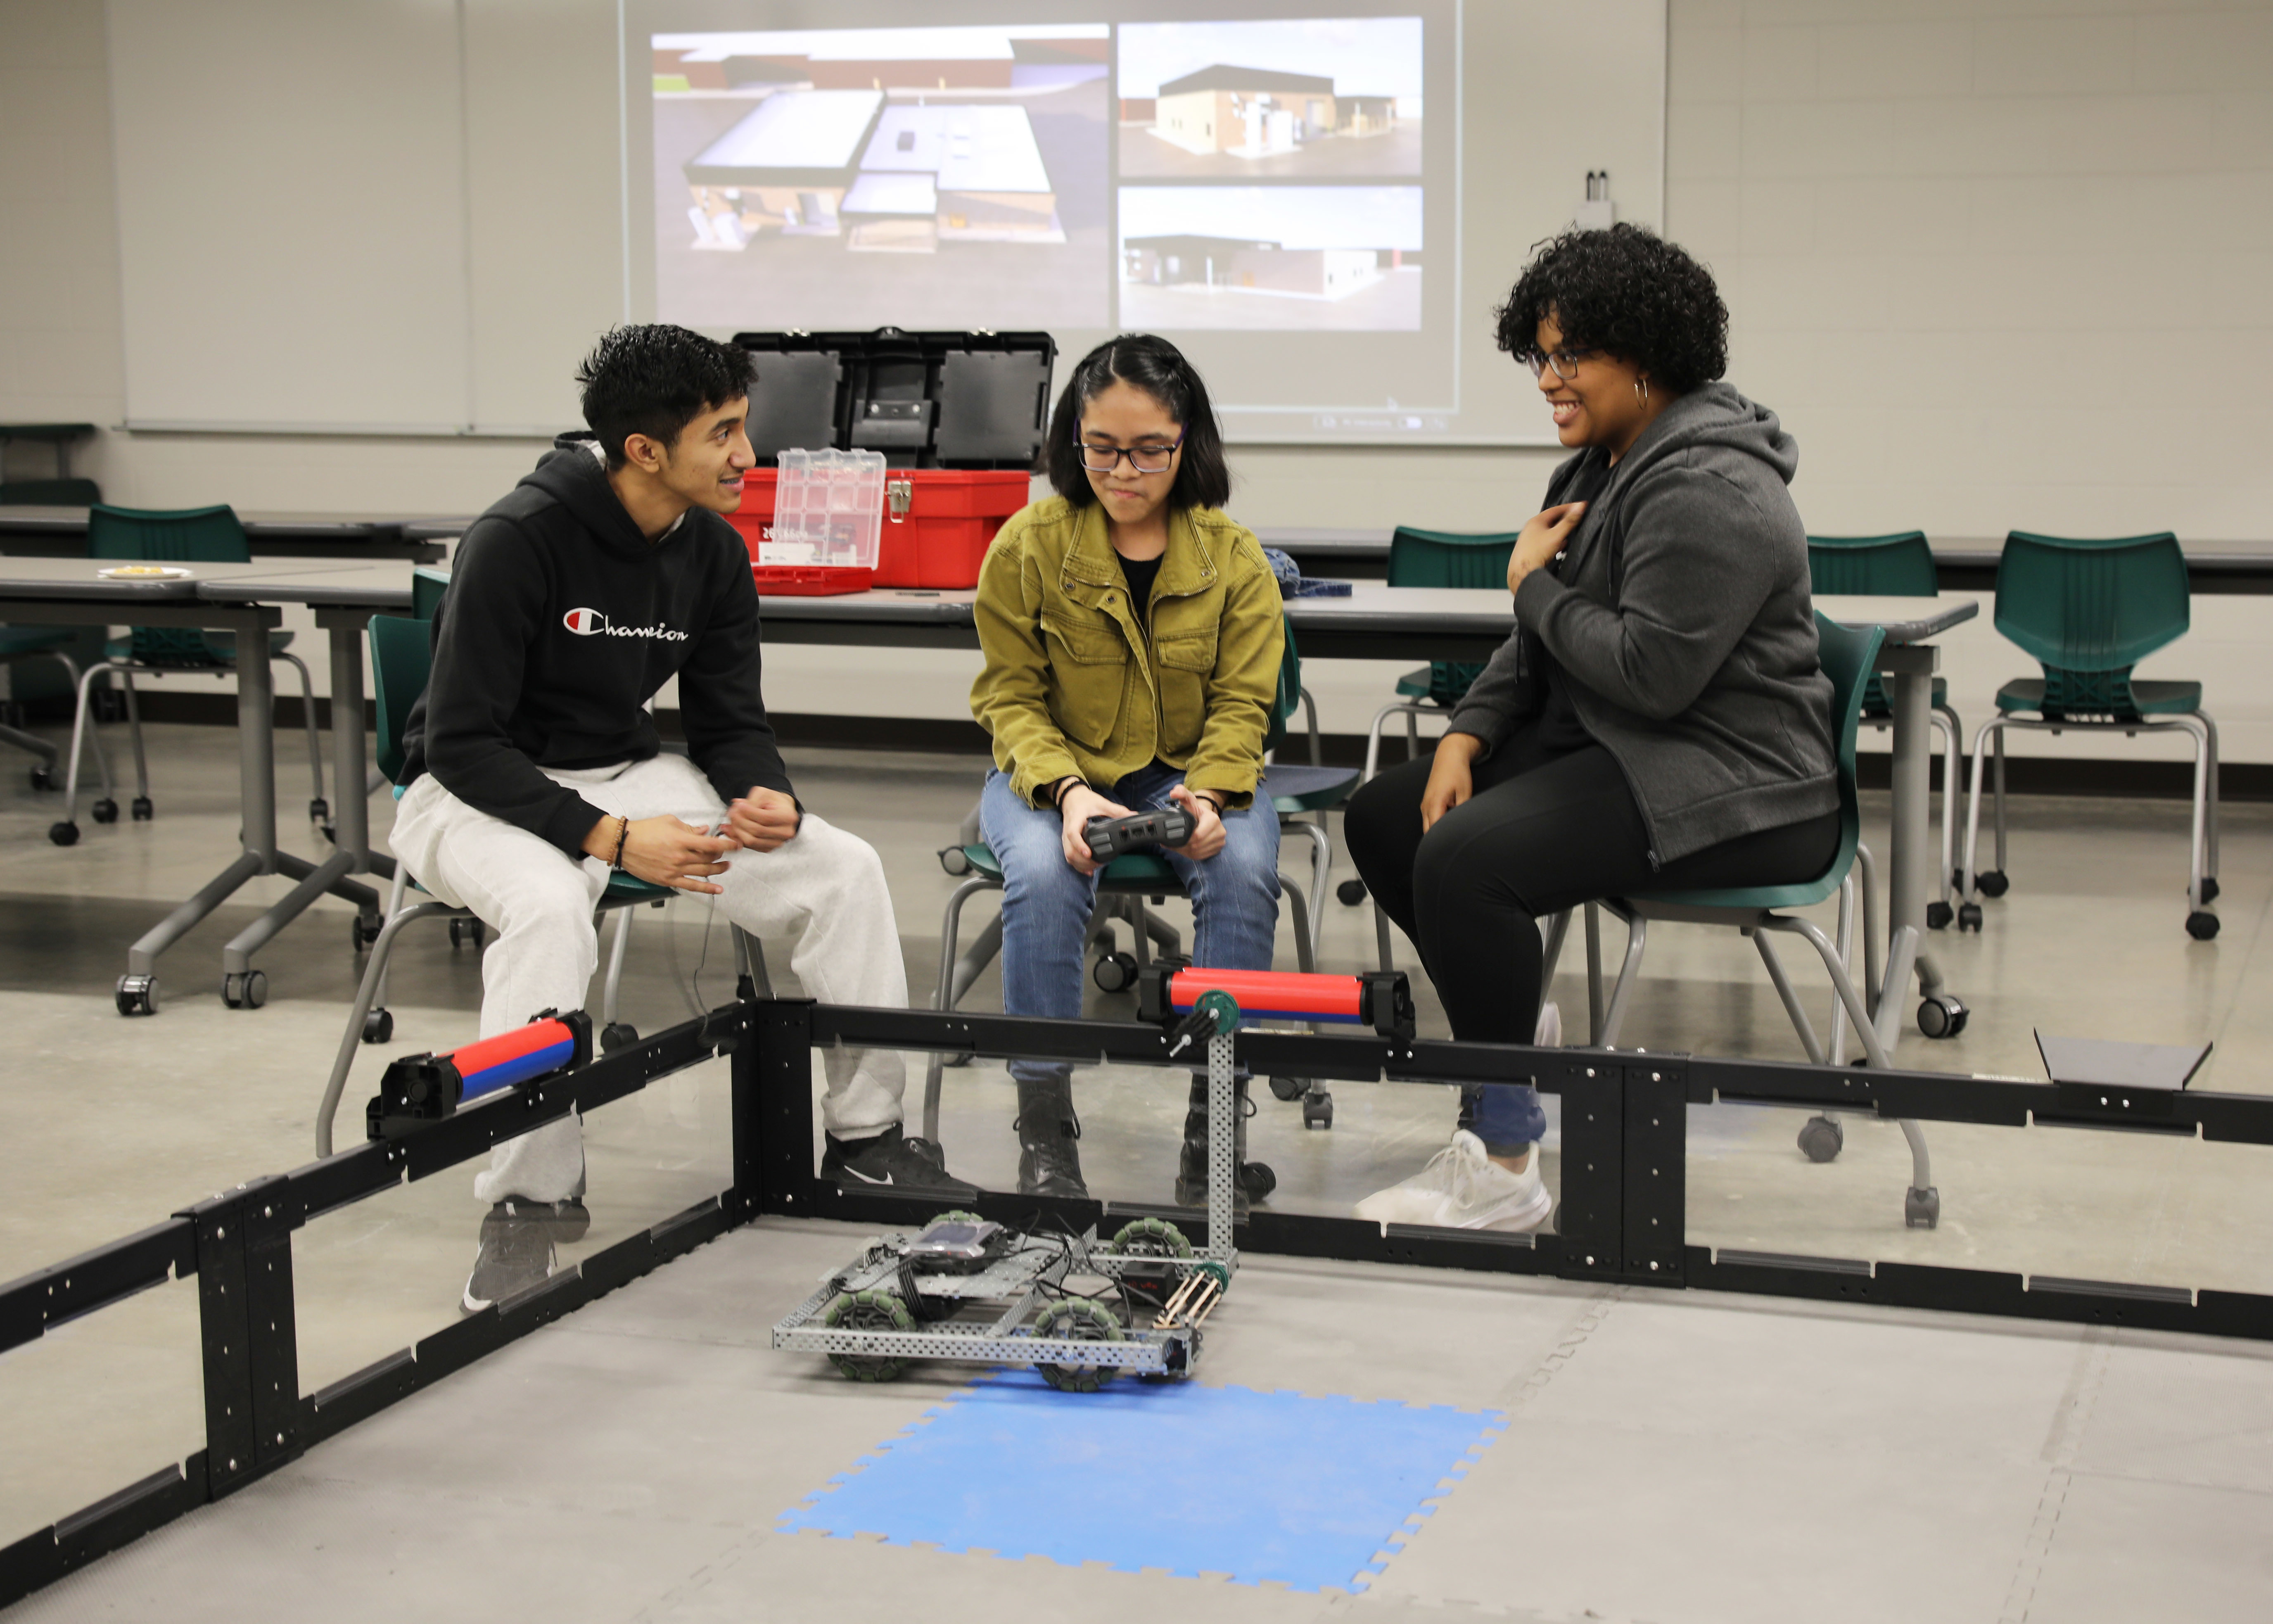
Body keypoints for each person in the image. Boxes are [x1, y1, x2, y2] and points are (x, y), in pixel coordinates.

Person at [390, 323, 975, 1314]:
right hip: (473, 791)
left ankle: (869, 1141)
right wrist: (610, 839)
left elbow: (728, 719)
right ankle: (530, 1200)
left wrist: (761, 789)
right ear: (645, 452)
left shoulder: (708, 547)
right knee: (544, 909)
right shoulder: (516, 540)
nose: (749, 456)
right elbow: (459, 743)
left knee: (842, 867)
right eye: (725, 434)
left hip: (626, 773)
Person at [1344, 223, 1841, 1232]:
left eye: (1570, 356)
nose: (1546, 379)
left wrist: (1528, 585)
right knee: (1390, 818)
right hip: (1631, 749)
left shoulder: (1710, 488)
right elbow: (1538, 651)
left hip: (1731, 780)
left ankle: (1504, 1163)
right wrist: (1464, 737)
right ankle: (1514, 1032)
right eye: (1540, 356)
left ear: (1647, 358)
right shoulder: (1598, 467)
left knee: (1462, 863)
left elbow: (1649, 675)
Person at [970, 335, 1284, 1207]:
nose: (1123, 469)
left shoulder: (1233, 556)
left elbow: (1242, 705)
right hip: (1051, 774)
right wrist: (1068, 794)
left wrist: (1212, 794)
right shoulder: (1028, 546)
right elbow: (1009, 699)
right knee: (1040, 871)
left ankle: (1212, 1128)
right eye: (1099, 446)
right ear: (1073, 439)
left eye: (1148, 449)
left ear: (1190, 442)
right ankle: (1045, 1134)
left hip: (1190, 773)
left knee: (1247, 866)